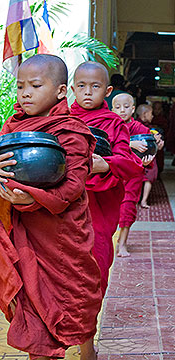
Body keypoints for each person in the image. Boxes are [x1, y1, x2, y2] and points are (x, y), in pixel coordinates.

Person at [0, 54, 102, 360]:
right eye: (20, 86)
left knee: (76, 301)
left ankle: (88, 350)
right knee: (34, 313)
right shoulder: (13, 125)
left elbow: (72, 187)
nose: (25, 93)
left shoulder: (72, 131)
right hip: (26, 237)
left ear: (59, 91)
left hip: (61, 237)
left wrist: (33, 199)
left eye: (35, 85)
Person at [70, 62, 144, 295]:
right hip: (66, 206)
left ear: (107, 92)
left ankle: (86, 324)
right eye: (81, 86)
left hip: (99, 206)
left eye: (95, 86)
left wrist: (106, 164)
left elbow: (129, 163)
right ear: (72, 89)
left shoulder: (113, 123)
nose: (88, 92)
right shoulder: (61, 119)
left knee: (96, 264)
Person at [112, 93, 155, 257]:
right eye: (117, 107)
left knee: (128, 208)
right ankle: (109, 240)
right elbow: (107, 147)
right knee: (111, 209)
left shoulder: (141, 129)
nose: (122, 110)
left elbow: (149, 151)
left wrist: (147, 160)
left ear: (133, 108)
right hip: (114, 174)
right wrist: (129, 143)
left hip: (133, 176)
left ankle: (122, 243)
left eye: (126, 107)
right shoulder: (111, 126)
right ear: (112, 109)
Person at [136, 104, 164, 208]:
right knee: (147, 177)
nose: (152, 116)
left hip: (145, 156)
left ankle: (141, 200)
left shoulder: (150, 127)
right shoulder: (138, 126)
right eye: (151, 113)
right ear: (144, 114)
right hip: (144, 156)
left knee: (146, 177)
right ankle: (143, 201)